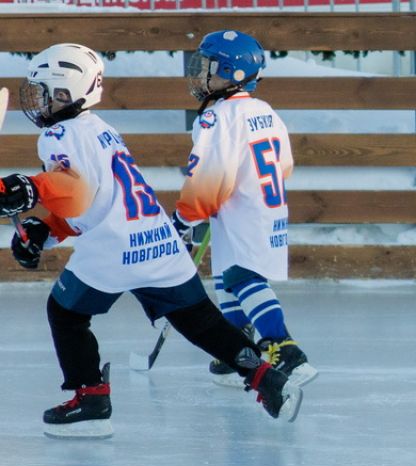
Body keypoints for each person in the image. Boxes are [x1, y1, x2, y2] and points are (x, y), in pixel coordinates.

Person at [0, 42, 301, 439]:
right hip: (158, 241)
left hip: (115, 249)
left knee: (67, 314)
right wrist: (46, 228)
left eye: (42, 92)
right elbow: (97, 199)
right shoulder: (100, 129)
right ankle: (265, 376)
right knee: (200, 320)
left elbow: (75, 194)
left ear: (64, 92)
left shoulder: (57, 135)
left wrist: (30, 188)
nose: (36, 102)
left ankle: (90, 398)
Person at [172, 29, 317, 388]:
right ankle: (237, 347)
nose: (202, 75)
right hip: (261, 206)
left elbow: (209, 176)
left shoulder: (218, 117)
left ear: (233, 73)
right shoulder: (264, 111)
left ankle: (284, 347)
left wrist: (185, 218)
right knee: (226, 272)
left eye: (210, 68)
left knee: (242, 278)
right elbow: (284, 165)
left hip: (241, 209)